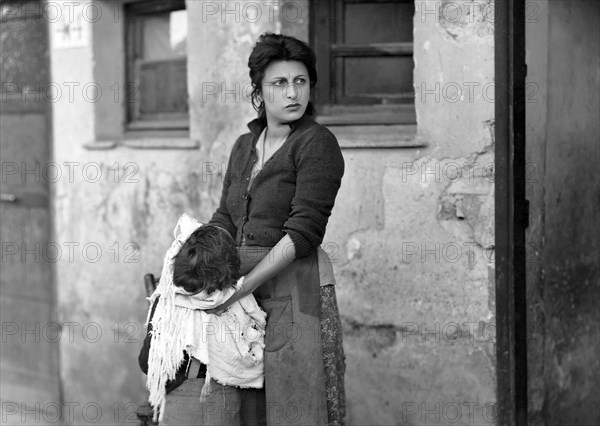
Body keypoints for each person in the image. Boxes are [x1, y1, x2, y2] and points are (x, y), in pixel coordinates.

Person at [207, 32, 346, 426]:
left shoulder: (317, 144)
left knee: (298, 403)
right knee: (245, 404)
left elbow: (303, 234)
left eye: (300, 81)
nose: (292, 93)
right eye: (279, 83)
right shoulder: (242, 146)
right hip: (241, 291)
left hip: (296, 287)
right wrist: (201, 263)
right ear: (259, 91)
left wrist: (244, 286)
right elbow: (225, 218)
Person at [141, 214, 267, 425]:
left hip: (184, 399)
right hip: (229, 399)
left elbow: (147, 362)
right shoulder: (239, 302)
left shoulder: (169, 305)